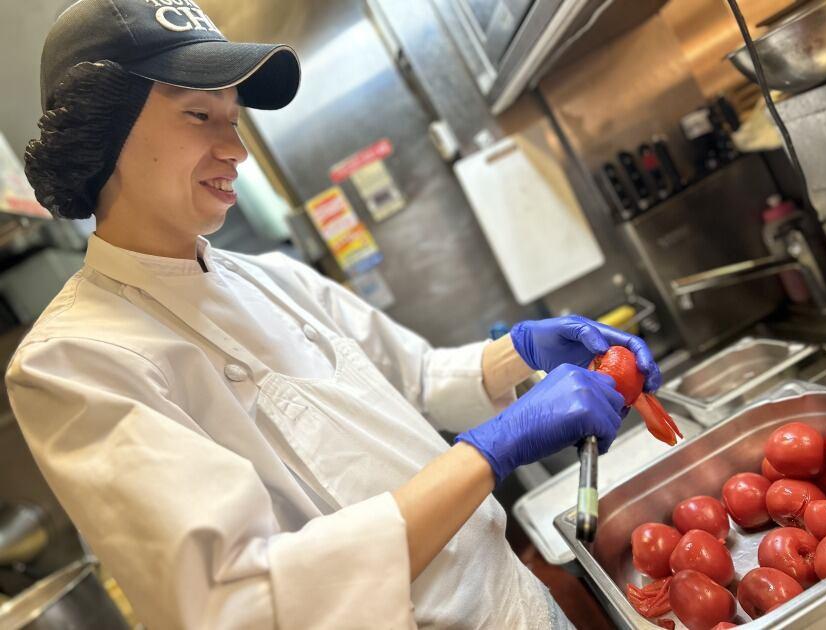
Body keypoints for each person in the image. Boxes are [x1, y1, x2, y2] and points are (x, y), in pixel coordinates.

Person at [6, 1, 662, 628]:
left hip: (514, 603)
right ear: (103, 133)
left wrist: (523, 350)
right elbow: (238, 603)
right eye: (199, 115)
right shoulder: (72, 363)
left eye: (233, 118)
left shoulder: (278, 278)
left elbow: (418, 381)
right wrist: (490, 450)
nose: (235, 149)